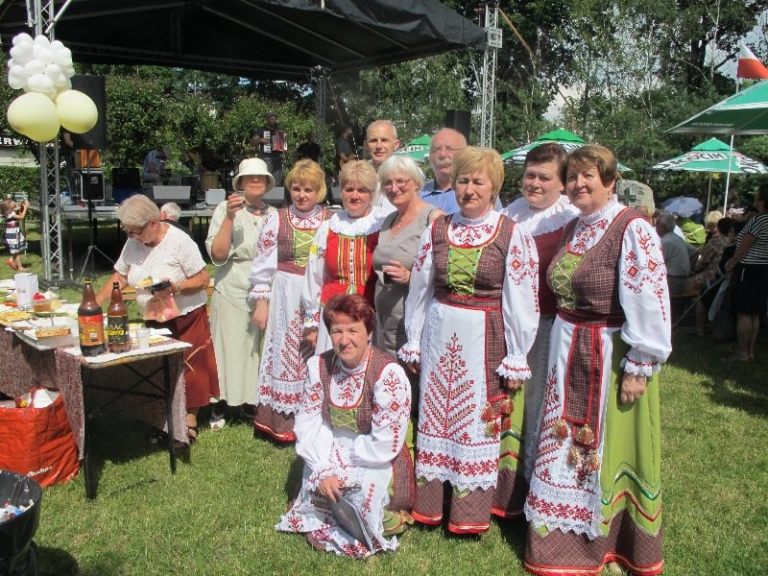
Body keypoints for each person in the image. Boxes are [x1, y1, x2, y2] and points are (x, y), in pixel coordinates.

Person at [523, 145, 672, 576]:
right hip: (568, 346)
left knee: (600, 447)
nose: (579, 184)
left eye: (590, 176)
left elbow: (649, 298)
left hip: (609, 350)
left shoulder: (631, 228)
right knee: (560, 440)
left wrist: (640, 364)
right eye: (572, 177)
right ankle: (555, 540)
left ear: (610, 181)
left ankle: (606, 543)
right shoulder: (575, 227)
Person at [399, 146, 540, 535]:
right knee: (438, 414)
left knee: (476, 421)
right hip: (440, 333)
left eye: (478, 181)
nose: (469, 189)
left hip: (485, 337)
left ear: (494, 186)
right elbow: (421, 289)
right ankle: (432, 506)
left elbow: (521, 299)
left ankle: (470, 511)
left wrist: (516, 354)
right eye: (463, 180)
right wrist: (414, 337)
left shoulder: (512, 233)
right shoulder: (438, 229)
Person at [276, 294, 414, 558]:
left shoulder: (388, 374)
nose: (344, 339)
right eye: (337, 331)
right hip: (329, 447)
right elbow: (308, 422)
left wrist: (346, 461)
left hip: (375, 456)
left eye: (353, 330)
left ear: (369, 333)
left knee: (360, 497)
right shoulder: (319, 366)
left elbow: (388, 440)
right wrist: (324, 466)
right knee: (318, 484)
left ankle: (383, 518)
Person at [97, 194, 219, 444]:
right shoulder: (133, 243)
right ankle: (163, 419)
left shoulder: (179, 242)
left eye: (136, 232)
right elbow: (119, 275)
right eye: (128, 232)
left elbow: (203, 279)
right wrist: (95, 305)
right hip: (154, 316)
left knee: (191, 367)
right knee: (158, 368)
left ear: (153, 222)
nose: (132, 237)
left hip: (186, 316)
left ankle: (189, 421)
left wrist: (176, 287)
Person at [500, 142, 579, 489]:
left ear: (562, 183)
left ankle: (532, 483)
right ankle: (501, 478)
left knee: (537, 403)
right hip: (505, 324)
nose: (534, 183)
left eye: (544, 177)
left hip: (547, 325)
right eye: (529, 175)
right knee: (506, 399)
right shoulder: (510, 214)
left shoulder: (570, 220)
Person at [248, 159, 331, 442]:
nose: (302, 195)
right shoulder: (278, 219)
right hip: (285, 294)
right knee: (285, 353)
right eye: (296, 188)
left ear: (319, 191)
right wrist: (262, 301)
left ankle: (314, 419)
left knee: (315, 352)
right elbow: (263, 265)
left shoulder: (330, 220)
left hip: (318, 293)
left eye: (308, 189)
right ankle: (281, 422)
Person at [206, 158, 277, 429]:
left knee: (257, 347)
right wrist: (230, 217)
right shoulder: (226, 208)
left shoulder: (274, 214)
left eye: (261, 177)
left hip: (267, 286)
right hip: (233, 281)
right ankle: (221, 402)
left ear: (268, 183)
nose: (256, 181)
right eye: (250, 177)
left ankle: (251, 401)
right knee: (228, 344)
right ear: (241, 183)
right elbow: (219, 255)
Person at [302, 160, 384, 355]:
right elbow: (313, 274)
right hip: (333, 317)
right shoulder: (328, 227)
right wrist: (311, 321)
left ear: (372, 194)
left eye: (362, 190)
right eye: (349, 189)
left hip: (370, 318)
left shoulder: (382, 225)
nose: (355, 196)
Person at [373, 155, 443, 357]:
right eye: (387, 183)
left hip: (412, 327)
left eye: (401, 181)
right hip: (384, 322)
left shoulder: (433, 219)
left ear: (416, 183)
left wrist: (412, 278)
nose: (393, 188)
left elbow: (446, 274)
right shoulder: (389, 220)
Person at [724, 184, 768, 361]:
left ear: (763, 199)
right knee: (755, 313)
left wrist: (732, 262)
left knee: (744, 312)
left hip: (748, 269)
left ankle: (742, 352)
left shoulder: (760, 220)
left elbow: (744, 247)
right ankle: (750, 351)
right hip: (763, 267)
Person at [687, 217, 736, 337]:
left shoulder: (716, 241)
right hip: (727, 278)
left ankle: (699, 328)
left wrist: (694, 270)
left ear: (719, 228)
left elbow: (703, 261)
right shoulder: (736, 243)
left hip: (712, 277)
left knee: (689, 285)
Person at [420, 127, 467, 213]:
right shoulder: (417, 195)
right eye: (437, 149)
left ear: (464, 155)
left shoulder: (478, 193)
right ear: (430, 157)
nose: (442, 154)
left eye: (450, 148)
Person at [656, 210, 695, 296]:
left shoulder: (665, 242)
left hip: (672, 281)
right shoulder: (678, 238)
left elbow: (657, 263)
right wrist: (690, 268)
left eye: (656, 225)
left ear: (662, 226)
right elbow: (695, 252)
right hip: (683, 280)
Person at [365, 119, 400, 213]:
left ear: (396, 145)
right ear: (366, 145)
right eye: (373, 140)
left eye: (384, 140)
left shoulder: (408, 175)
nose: (378, 146)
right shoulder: (359, 175)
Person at [251, 112, 286, 185]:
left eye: (274, 119)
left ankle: (276, 195)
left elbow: (284, 144)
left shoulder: (279, 130)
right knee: (267, 178)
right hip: (267, 156)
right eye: (271, 119)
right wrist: (261, 140)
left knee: (278, 179)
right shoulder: (262, 130)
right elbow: (253, 142)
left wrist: (284, 146)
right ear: (267, 120)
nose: (273, 120)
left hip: (277, 157)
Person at [2, 197, 29, 271]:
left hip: (14, 232)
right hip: (13, 233)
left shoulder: (9, 212)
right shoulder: (11, 213)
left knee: (20, 248)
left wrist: (21, 205)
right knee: (17, 250)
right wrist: (25, 208)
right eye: (12, 203)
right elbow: (21, 217)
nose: (14, 203)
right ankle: (20, 267)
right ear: (9, 206)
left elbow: (17, 208)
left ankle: (10, 260)